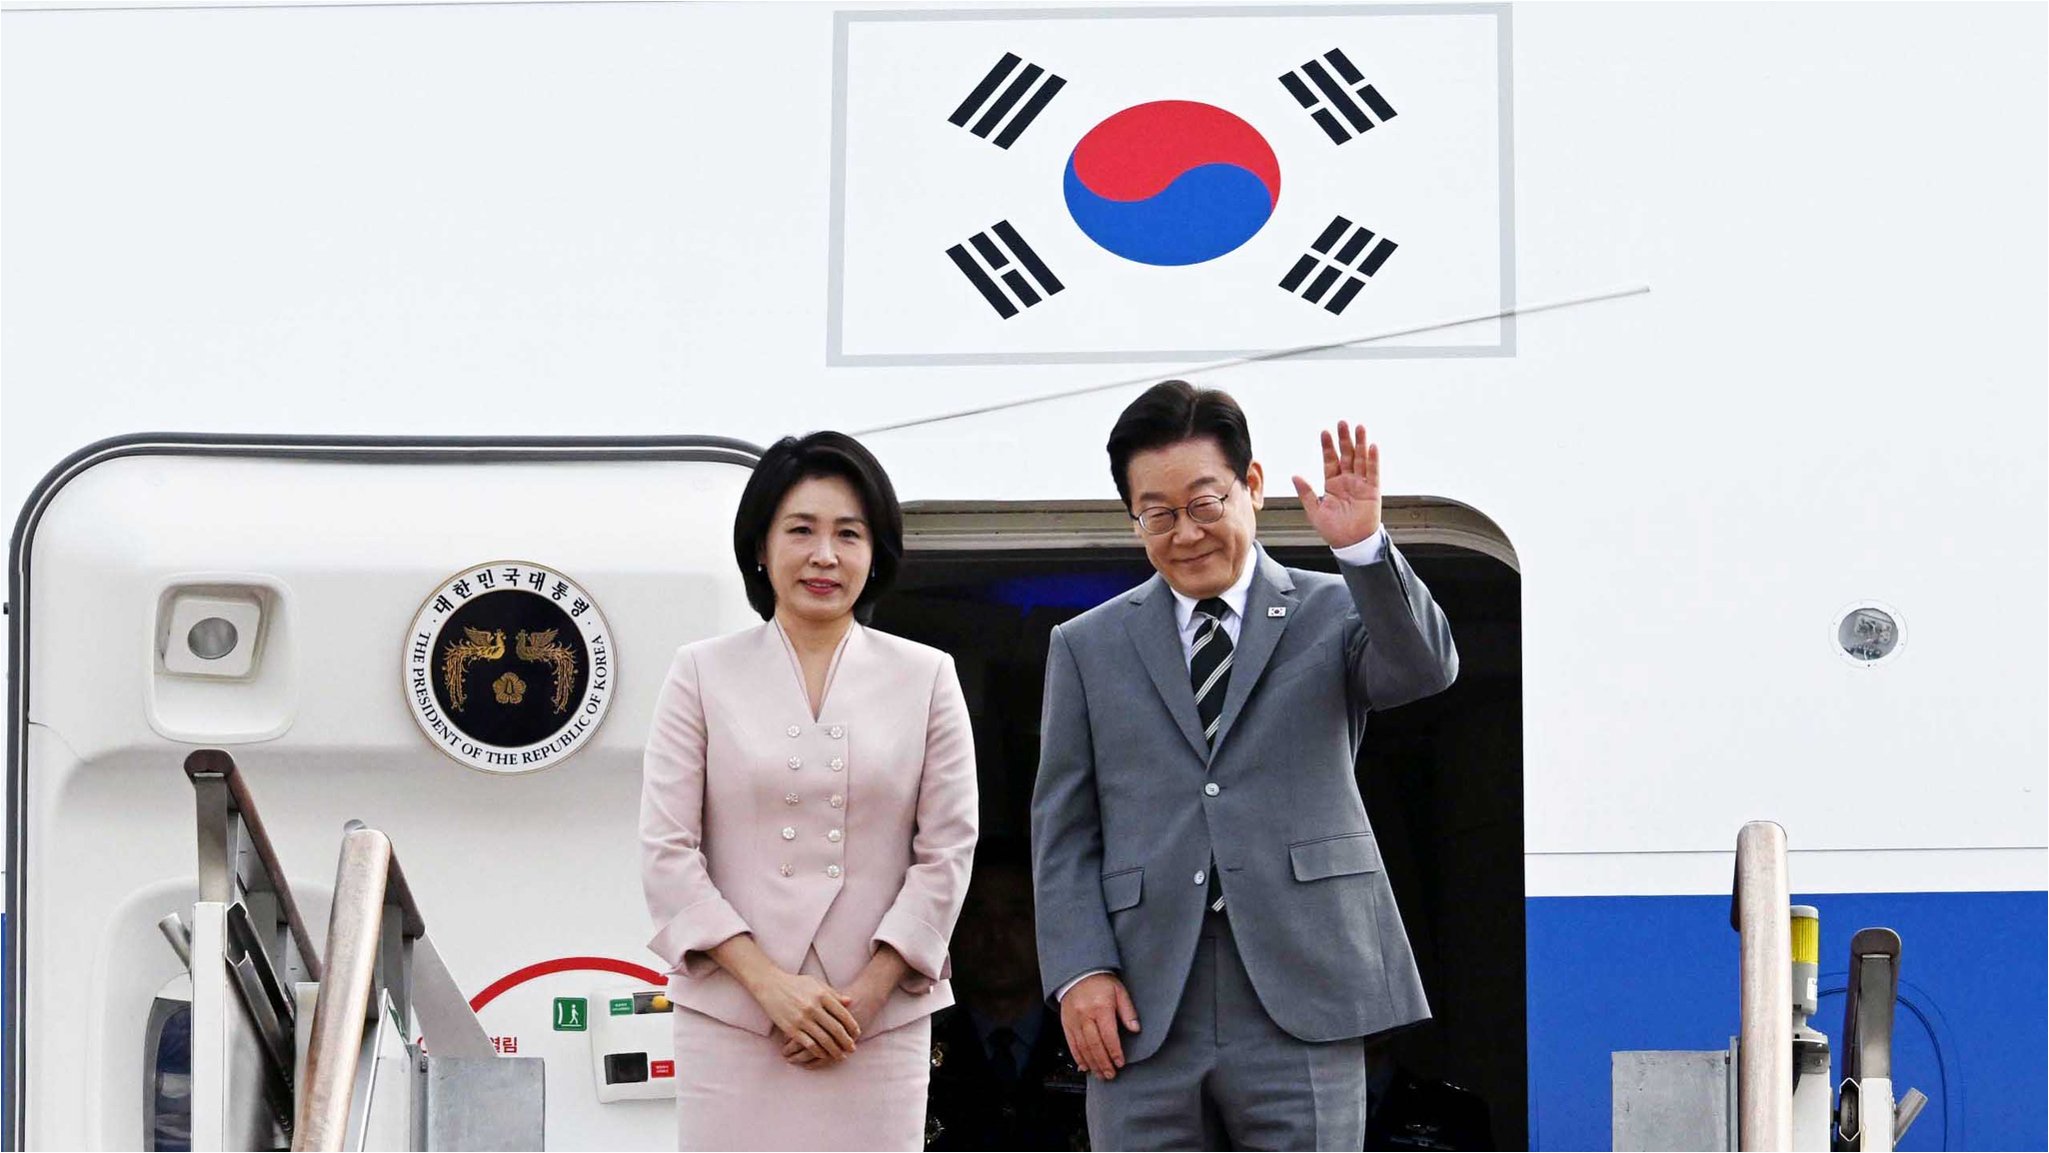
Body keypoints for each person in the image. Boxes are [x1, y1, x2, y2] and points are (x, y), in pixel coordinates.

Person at [1030, 380, 1459, 1151]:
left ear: (1251, 485)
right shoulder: (1086, 644)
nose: (1185, 533)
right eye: (1157, 514)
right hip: (1140, 999)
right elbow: (1063, 828)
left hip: (1305, 986)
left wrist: (1363, 549)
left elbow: (1424, 668)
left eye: (1204, 503)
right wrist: (1079, 969)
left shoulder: (1334, 610)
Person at [641, 431, 979, 1152]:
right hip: (732, 1014)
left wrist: (866, 996)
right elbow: (667, 850)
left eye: (848, 534)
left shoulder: (927, 676)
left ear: (875, 552)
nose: (824, 554)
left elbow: (948, 849)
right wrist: (768, 985)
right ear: (760, 547)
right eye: (801, 530)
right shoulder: (700, 672)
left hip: (875, 1024)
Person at [924, 845, 1088, 1151]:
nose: (997, 936)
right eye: (977, 915)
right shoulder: (921, 1048)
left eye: (1018, 917)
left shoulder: (1085, 1042)